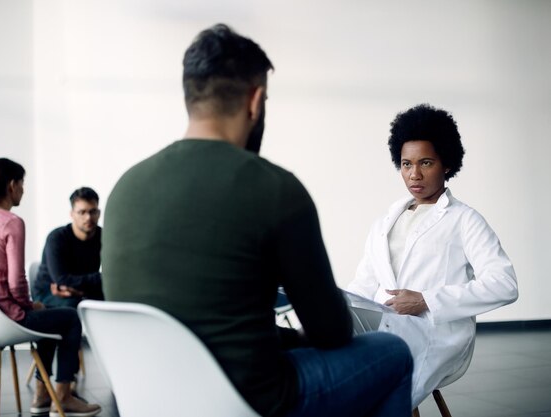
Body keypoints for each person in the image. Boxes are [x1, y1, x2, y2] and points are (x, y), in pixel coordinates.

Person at [102, 24, 413, 417]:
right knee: (392, 353)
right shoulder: (274, 187)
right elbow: (331, 331)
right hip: (250, 401)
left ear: (190, 97)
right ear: (256, 100)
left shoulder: (124, 189)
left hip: (143, 401)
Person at [346, 103, 519, 407]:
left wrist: (426, 300)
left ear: (447, 164)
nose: (414, 174)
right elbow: (362, 285)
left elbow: (504, 284)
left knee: (375, 393)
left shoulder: (464, 220)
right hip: (384, 328)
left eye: (426, 163)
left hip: (435, 333)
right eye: (406, 164)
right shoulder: (385, 222)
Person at [0, 158, 101, 417]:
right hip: (7, 318)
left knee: (50, 315)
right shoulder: (10, 222)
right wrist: (29, 304)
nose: (23, 189)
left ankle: (42, 395)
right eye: (22, 184)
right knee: (68, 318)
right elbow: (16, 282)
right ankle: (64, 396)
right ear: (13, 185)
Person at [32, 187, 104, 308]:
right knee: (75, 305)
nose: (88, 217)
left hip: (84, 291)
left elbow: (113, 275)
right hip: (48, 293)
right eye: (82, 212)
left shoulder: (103, 236)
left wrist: (84, 289)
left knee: (115, 298)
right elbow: (61, 280)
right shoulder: (57, 238)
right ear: (72, 214)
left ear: (99, 213)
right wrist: (98, 278)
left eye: (93, 211)